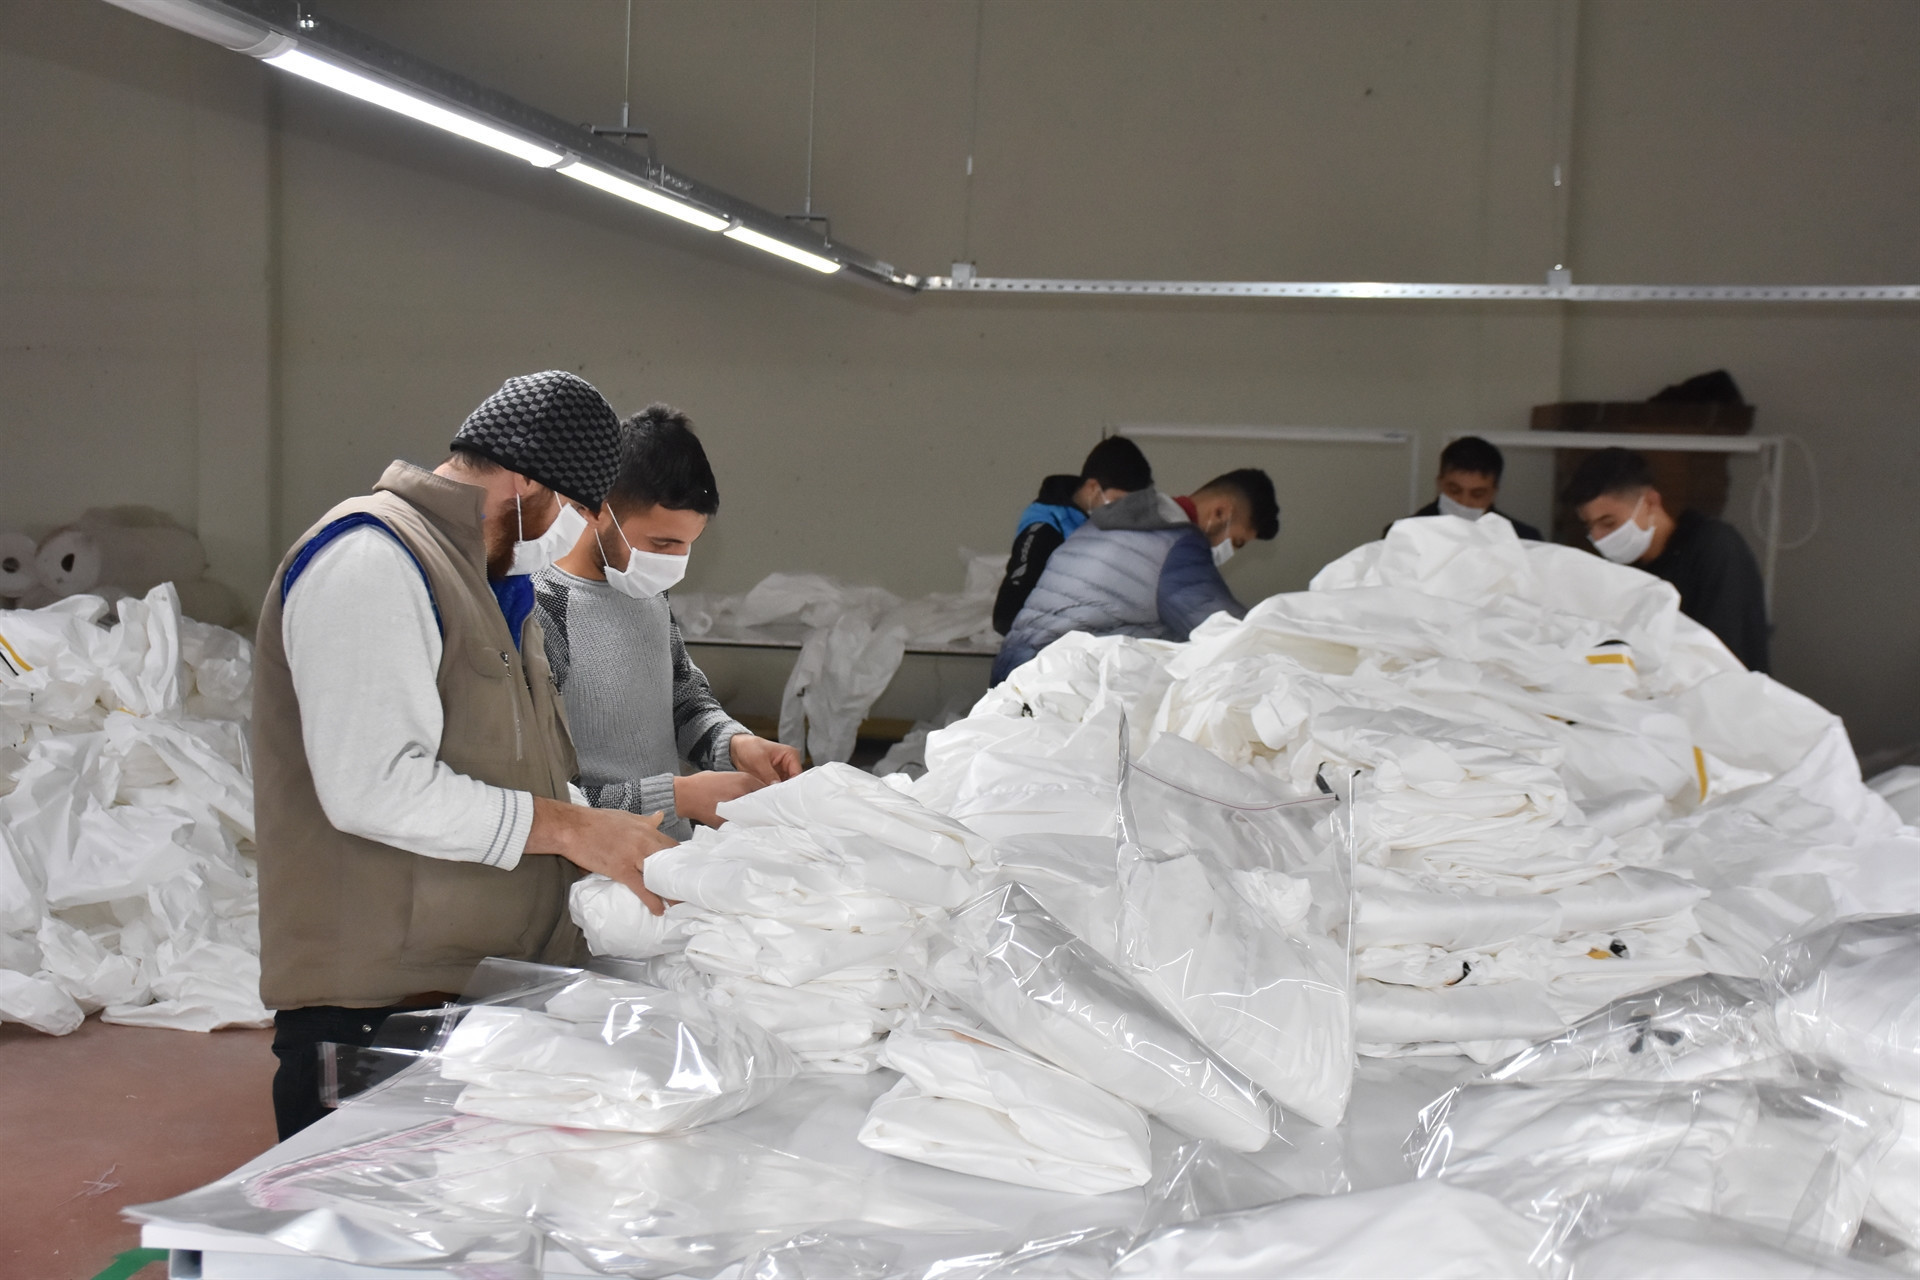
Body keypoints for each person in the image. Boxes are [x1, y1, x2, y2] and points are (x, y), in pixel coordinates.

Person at [254, 371, 682, 1140]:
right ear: (528, 482)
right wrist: (572, 829)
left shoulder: (490, 587)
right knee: (369, 1218)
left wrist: (615, 834)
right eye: (576, 509)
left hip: (472, 999)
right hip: (377, 1014)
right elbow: (372, 786)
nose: (573, 534)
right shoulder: (372, 559)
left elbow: (512, 772)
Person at [535, 405, 800, 840]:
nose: (674, 562)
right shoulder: (542, 610)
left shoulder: (645, 588)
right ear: (596, 508)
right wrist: (679, 796)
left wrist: (735, 745)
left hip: (667, 856)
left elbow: (681, 699)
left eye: (688, 544)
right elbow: (544, 803)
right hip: (593, 867)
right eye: (661, 543)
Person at [993, 468, 1280, 683]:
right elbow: (1223, 629)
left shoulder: (1113, 520)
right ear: (1220, 513)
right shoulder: (1175, 540)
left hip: (1018, 670)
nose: (1230, 550)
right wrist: (1286, 642)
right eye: (1236, 542)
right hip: (1056, 684)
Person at [1566, 446, 1770, 671]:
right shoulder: (1631, 569)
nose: (1597, 537)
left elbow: (1723, 653)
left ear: (1650, 502)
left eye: (1608, 523)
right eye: (1589, 526)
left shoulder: (1714, 547)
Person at [992, 435, 1155, 634]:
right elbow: (1006, 615)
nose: (1125, 511)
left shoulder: (1105, 522)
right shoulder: (1045, 526)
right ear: (1093, 488)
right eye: (1118, 501)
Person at [1394, 435, 1543, 540]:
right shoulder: (1403, 534)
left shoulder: (1522, 538)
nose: (1464, 502)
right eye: (1454, 491)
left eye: (1477, 494)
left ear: (1493, 493)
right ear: (1439, 484)